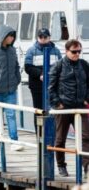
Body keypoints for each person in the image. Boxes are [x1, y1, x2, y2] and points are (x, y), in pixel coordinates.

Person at [49, 39, 89, 177]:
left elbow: (88, 83)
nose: (77, 54)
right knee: (60, 138)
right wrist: (58, 104)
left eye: (79, 51)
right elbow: (51, 87)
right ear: (66, 51)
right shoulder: (58, 66)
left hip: (80, 107)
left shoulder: (84, 65)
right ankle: (61, 165)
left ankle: (87, 167)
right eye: (74, 51)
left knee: (86, 136)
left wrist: (86, 99)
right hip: (64, 107)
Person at [24, 28, 61, 134]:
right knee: (39, 110)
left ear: (49, 38)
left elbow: (60, 66)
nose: (43, 39)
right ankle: (39, 134)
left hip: (53, 86)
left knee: (53, 110)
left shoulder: (56, 50)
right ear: (37, 38)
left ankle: (52, 133)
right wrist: (40, 74)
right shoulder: (31, 50)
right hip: (37, 87)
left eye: (45, 37)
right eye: (41, 37)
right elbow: (28, 67)